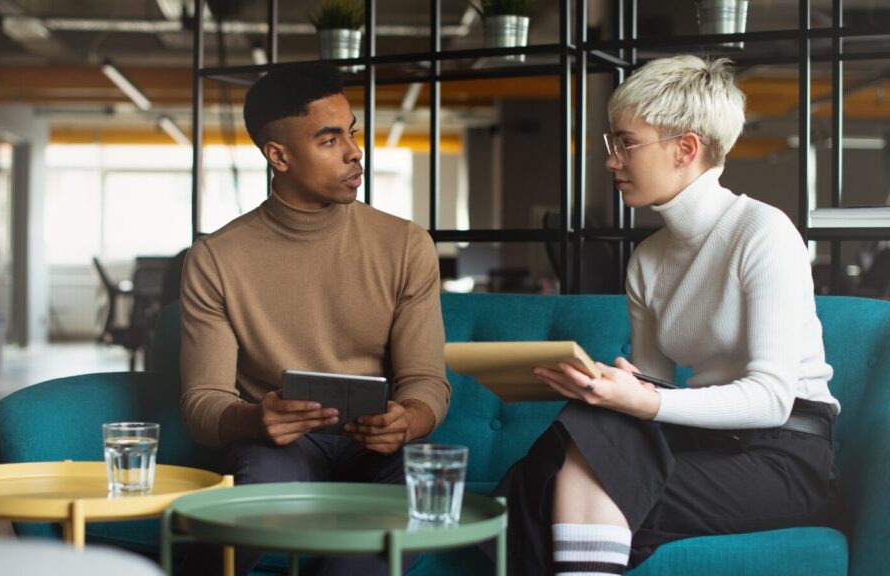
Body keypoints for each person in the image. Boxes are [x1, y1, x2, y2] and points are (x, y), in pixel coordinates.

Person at [492, 55, 841, 576]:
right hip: (707, 447)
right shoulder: (647, 259)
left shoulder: (763, 233)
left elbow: (771, 399)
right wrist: (617, 388)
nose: (610, 160)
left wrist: (644, 398)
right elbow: (652, 390)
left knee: (553, 487)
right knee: (562, 453)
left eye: (625, 143)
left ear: (686, 149)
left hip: (784, 457)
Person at [179, 62, 451, 576]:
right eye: (329, 141)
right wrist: (255, 417)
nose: (354, 152)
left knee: (426, 483)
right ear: (278, 155)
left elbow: (425, 381)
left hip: (378, 446)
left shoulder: (406, 245)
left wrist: (408, 419)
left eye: (351, 133)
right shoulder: (216, 258)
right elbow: (202, 402)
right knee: (253, 487)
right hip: (279, 447)